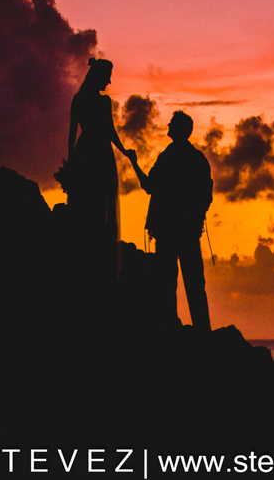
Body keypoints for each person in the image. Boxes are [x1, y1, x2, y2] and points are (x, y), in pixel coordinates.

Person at [129, 110, 213, 332]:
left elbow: (148, 186)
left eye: (171, 124)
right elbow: (206, 195)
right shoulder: (198, 159)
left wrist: (135, 163)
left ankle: (170, 331)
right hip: (188, 232)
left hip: (167, 231)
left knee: (167, 284)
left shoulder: (166, 158)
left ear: (178, 130)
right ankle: (203, 333)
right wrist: (195, 218)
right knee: (195, 285)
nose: (167, 126)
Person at [65, 56, 136, 282]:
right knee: (92, 205)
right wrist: (72, 163)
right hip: (94, 154)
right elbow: (75, 131)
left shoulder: (91, 100)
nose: (109, 82)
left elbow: (107, 132)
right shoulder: (93, 101)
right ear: (99, 76)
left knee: (97, 204)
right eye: (107, 77)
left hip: (90, 151)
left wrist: (124, 151)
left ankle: (91, 257)